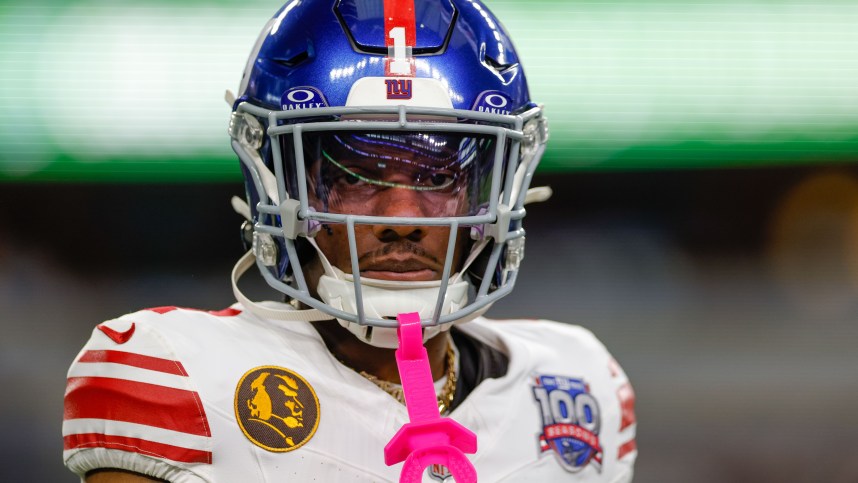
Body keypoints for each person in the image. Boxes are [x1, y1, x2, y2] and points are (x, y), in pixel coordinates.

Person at [62, 0, 637, 481]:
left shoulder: (577, 388)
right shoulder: (175, 375)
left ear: (493, 195)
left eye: (437, 177)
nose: (403, 217)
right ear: (279, 185)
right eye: (354, 176)